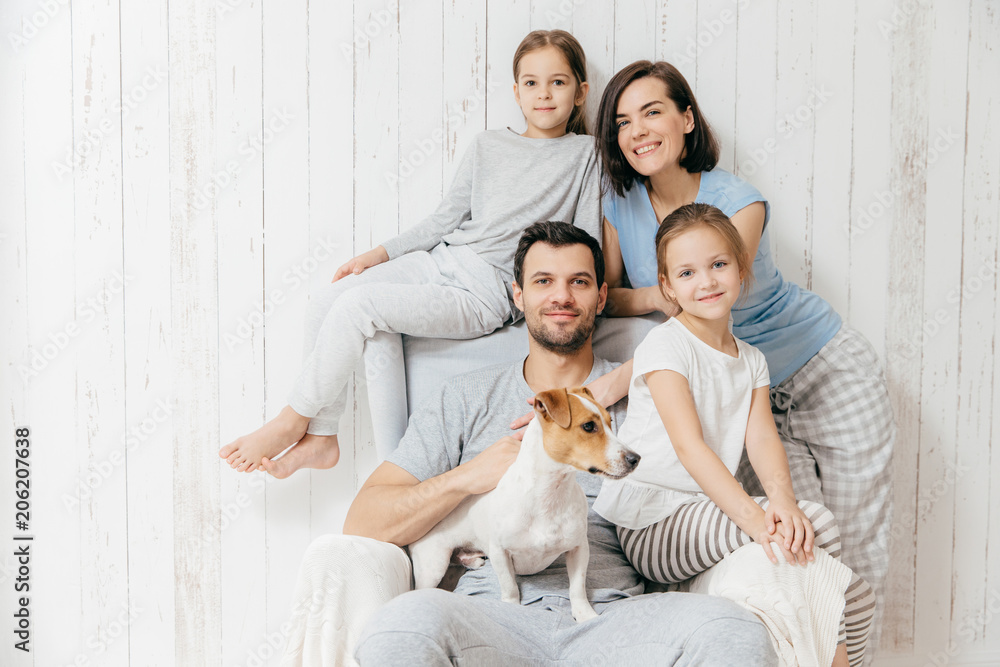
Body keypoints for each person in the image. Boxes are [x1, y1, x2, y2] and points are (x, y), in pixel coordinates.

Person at [280, 222, 777, 666]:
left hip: (614, 616)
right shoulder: (467, 397)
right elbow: (364, 522)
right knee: (401, 626)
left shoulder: (651, 391)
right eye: (543, 281)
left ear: (602, 297)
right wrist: (466, 478)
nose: (561, 296)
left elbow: (716, 463)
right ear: (518, 295)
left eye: (579, 282)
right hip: (490, 616)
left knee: (731, 630)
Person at [587, 59, 894, 650]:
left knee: (853, 538)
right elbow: (612, 298)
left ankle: (855, 658)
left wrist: (616, 383)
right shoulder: (618, 203)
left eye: (653, 112)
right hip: (745, 401)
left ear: (686, 118)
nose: (637, 131)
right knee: (799, 535)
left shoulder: (738, 202)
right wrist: (655, 292)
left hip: (816, 366)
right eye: (623, 121)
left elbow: (706, 307)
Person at [218, 29, 602, 478]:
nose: (544, 94)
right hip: (441, 260)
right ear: (516, 91)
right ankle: (322, 435)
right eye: (532, 83)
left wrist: (587, 298)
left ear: (581, 92)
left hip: (484, 293)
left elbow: (586, 239)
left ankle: (291, 418)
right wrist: (380, 254)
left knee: (360, 307)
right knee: (327, 300)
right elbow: (445, 219)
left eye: (558, 82)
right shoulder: (488, 145)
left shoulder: (585, 154)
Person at [593, 203, 874, 667]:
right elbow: (689, 446)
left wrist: (782, 502)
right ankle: (681, 588)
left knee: (852, 593)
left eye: (718, 265)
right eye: (687, 272)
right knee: (816, 527)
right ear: (667, 286)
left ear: (741, 270)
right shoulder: (664, 345)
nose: (706, 282)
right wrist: (754, 519)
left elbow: (763, 440)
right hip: (653, 523)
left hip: (706, 518)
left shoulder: (752, 360)